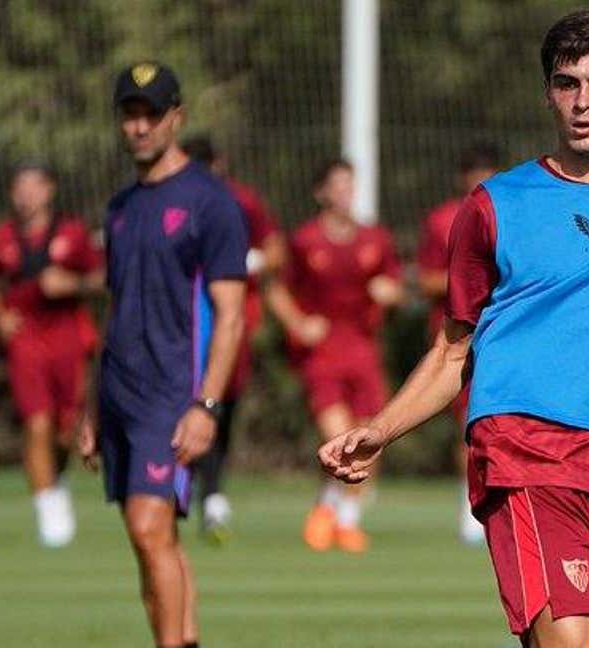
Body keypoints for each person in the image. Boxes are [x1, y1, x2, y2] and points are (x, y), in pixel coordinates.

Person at [320, 10, 589, 648]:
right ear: (549, 94)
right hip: (527, 449)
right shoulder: (493, 206)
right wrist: (381, 428)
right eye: (567, 85)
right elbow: (452, 353)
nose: (583, 103)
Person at [78, 62, 247, 648]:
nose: (141, 126)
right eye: (131, 113)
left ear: (177, 117)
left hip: (172, 396)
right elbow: (113, 311)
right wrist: (92, 408)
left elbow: (230, 315)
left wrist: (207, 405)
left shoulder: (211, 203)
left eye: (153, 113)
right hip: (120, 395)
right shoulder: (120, 208)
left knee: (149, 530)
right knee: (151, 544)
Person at [267, 159, 403, 553]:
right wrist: (298, 324)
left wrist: (389, 293)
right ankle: (332, 509)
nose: (346, 193)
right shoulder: (306, 241)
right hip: (323, 355)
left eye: (350, 185)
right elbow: (276, 289)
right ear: (321, 193)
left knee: (369, 440)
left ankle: (340, 517)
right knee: (339, 438)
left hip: (362, 350)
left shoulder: (374, 239)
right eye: (338, 186)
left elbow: (396, 284)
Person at [0, 162, 103, 547]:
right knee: (36, 422)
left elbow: (103, 278)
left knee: (67, 427)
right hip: (26, 339)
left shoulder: (73, 234)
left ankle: (55, 478)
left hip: (68, 335)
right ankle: (48, 506)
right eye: (20, 187)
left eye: (34, 187)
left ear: (49, 190)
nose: (27, 195)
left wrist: (71, 283)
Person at [182, 134, 287, 544]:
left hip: (232, 322)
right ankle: (204, 493)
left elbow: (275, 250)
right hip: (183, 324)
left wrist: (249, 261)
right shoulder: (170, 203)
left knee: (224, 403)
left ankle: (212, 487)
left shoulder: (240, 201)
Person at [416, 142, 501, 545]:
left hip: (505, 334)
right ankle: (471, 505)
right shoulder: (442, 220)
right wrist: (471, 281)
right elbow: (426, 278)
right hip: (460, 336)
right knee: (470, 424)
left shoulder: (511, 213)